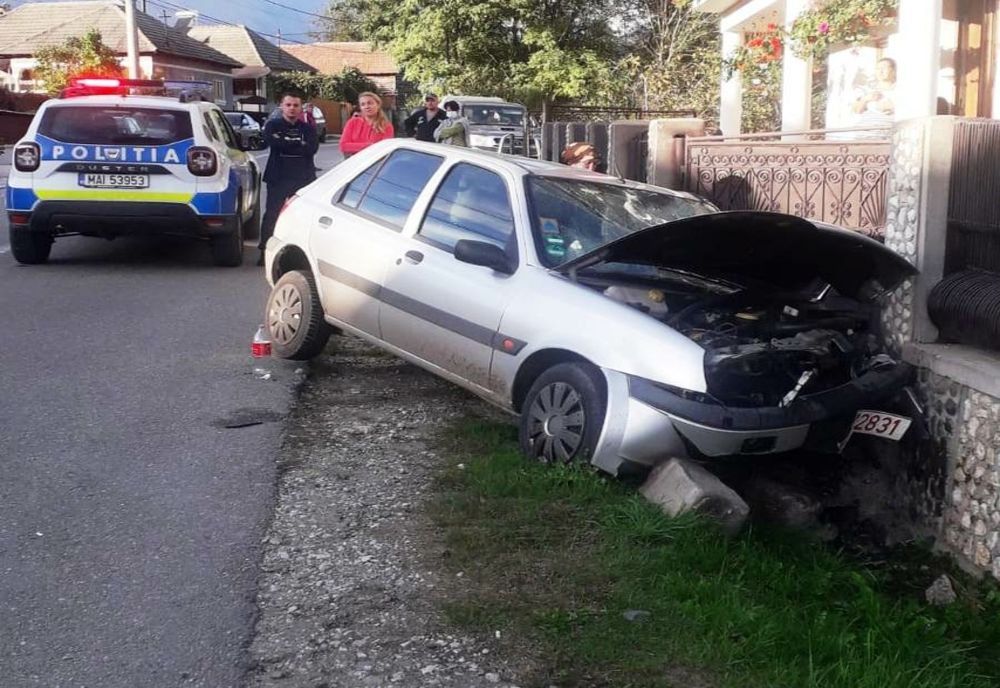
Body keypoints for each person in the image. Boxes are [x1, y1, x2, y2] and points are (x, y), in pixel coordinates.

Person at [258, 91, 319, 266]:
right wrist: (298, 144)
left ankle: (299, 256)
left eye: (296, 105)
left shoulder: (308, 128)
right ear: (282, 107)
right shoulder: (272, 125)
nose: (292, 108)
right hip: (278, 177)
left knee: (301, 218)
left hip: (303, 179)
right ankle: (264, 251)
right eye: (288, 105)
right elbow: (274, 144)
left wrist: (287, 143)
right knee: (272, 215)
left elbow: (311, 149)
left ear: (301, 108)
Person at [339, 91, 394, 158]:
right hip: (354, 163)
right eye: (363, 104)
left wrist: (355, 147)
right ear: (360, 108)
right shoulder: (352, 122)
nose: (367, 106)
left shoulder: (386, 126)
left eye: (370, 103)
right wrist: (370, 146)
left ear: (378, 105)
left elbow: (385, 149)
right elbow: (343, 146)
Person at [852, 57, 896, 134]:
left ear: (893, 71)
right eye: (878, 69)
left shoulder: (900, 90)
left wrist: (894, 108)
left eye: (884, 68)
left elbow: (910, 110)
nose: (880, 72)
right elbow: (856, 110)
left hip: (886, 134)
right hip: (863, 132)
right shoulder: (868, 89)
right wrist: (865, 99)